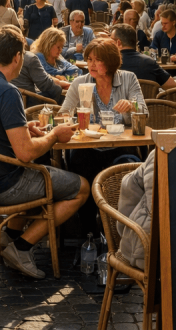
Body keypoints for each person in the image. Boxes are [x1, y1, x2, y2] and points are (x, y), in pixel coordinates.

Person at [0, 25, 88, 279]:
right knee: (81, 187)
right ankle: (22, 247)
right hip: (3, 185)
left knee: (42, 176)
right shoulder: (7, 91)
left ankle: (8, 236)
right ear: (17, 57)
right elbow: (25, 154)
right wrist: (53, 135)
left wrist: (24, 127)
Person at [59, 38, 144, 230]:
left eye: (98, 60)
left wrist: (131, 107)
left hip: (121, 146)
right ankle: (91, 232)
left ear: (111, 62)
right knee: (82, 170)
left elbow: (143, 113)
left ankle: (120, 229)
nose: (92, 64)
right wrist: (76, 120)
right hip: (87, 148)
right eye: (89, 59)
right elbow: (63, 114)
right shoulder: (80, 82)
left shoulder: (128, 78)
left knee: (126, 172)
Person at [111, 24, 174, 90]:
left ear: (118, 43)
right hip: (146, 97)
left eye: (111, 40)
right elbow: (172, 86)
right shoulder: (149, 62)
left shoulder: (110, 64)